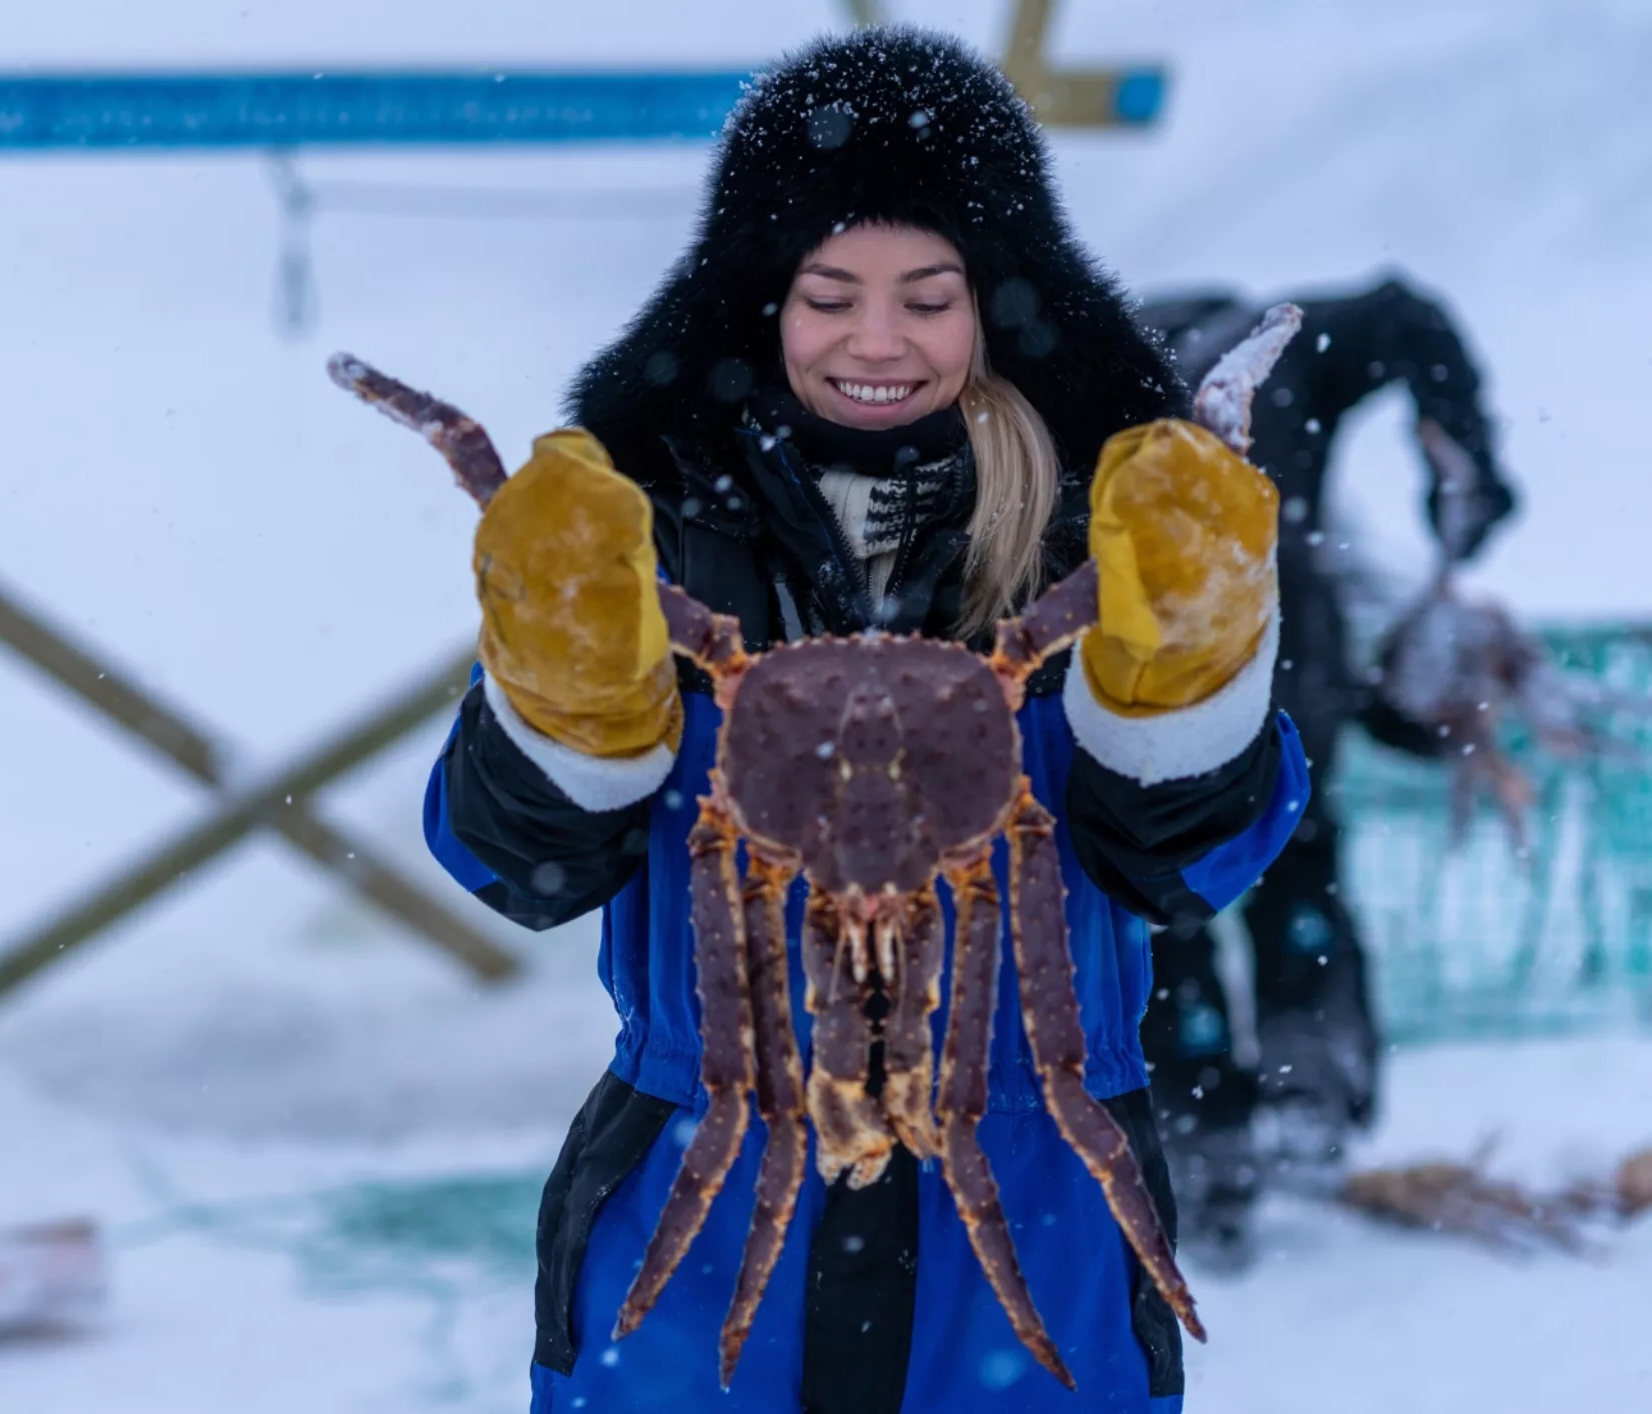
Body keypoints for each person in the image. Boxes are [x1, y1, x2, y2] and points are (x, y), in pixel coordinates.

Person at [414, 29, 1311, 1413]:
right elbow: (517, 868)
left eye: (926, 297)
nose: (874, 341)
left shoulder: (1113, 532)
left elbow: (1182, 865)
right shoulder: (643, 539)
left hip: (1036, 1191)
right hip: (690, 1192)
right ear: (758, 304)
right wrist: (560, 701)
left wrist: (1184, 676)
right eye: (826, 293)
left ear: (996, 308)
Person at [1133, 276, 1519, 1251]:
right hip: (1272, 683)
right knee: (1290, 863)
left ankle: (1203, 1139)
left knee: (1159, 909)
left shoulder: (1078, 370)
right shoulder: (1270, 357)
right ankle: (1302, 1088)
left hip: (1140, 706)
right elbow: (1403, 314)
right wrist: (1464, 450)